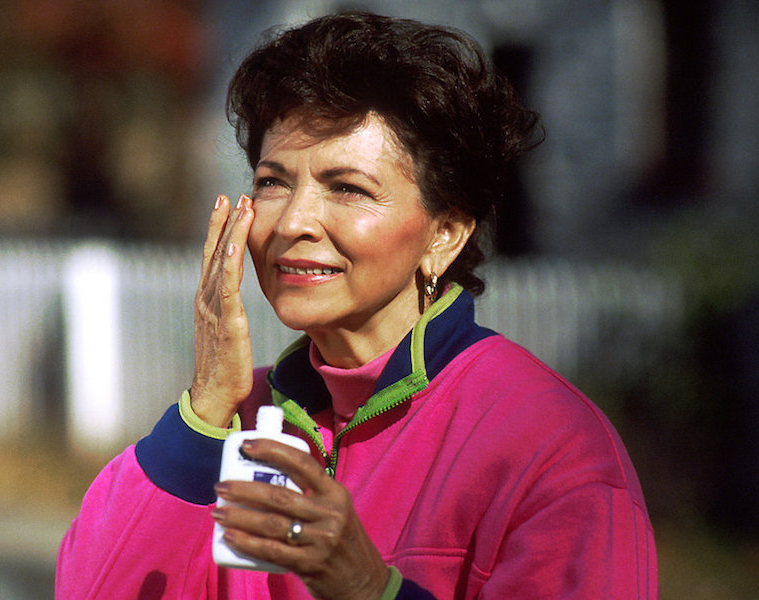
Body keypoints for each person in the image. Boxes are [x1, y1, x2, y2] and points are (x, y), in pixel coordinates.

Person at [56, 11, 657, 600]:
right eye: (272, 181)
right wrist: (207, 408)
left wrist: (371, 589)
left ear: (445, 232)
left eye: (347, 188)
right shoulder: (231, 422)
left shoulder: (546, 445)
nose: (293, 222)